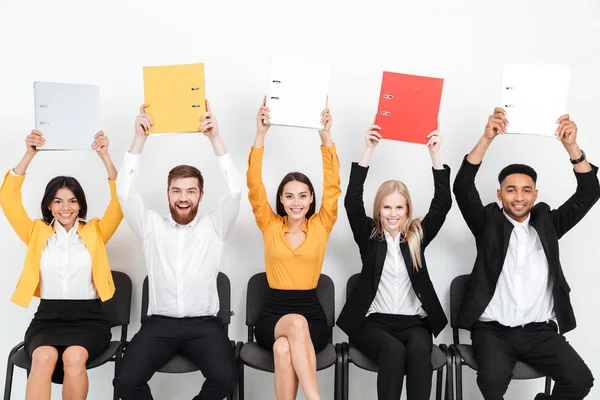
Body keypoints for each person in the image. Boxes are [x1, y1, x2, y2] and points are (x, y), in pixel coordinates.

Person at [453, 108, 598, 400]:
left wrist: (571, 146)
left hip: (539, 333)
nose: (518, 197)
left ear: (535, 194)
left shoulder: (549, 225)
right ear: (499, 194)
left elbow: (589, 192)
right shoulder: (487, 224)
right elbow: (463, 187)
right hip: (493, 331)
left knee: (580, 380)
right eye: (511, 190)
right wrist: (486, 138)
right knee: (492, 382)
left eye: (526, 190)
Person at [113, 102, 241, 400]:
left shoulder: (215, 226)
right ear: (168, 193)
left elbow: (235, 190)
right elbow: (124, 192)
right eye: (177, 191)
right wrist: (139, 139)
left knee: (224, 379)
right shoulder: (150, 226)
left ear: (201, 195)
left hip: (205, 326)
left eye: (191, 191)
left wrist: (215, 138)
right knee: (125, 382)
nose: (183, 198)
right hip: (160, 324)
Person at [0, 129, 122, 400]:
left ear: (80, 205)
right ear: (49, 205)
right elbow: (8, 199)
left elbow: (120, 201)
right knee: (42, 358)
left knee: (74, 357)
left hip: (89, 319)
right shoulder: (36, 233)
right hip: (47, 319)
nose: (65, 208)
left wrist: (105, 157)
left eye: (72, 201)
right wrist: (29, 155)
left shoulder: (95, 232)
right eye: (58, 201)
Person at [337, 122, 451, 400]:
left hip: (414, 324)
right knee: (392, 351)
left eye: (399, 207)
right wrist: (368, 150)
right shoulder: (369, 236)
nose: (392, 213)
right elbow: (352, 201)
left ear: (407, 209)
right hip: (373, 323)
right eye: (387, 207)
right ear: (379, 209)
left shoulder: (416, 237)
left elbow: (442, 203)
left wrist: (435, 155)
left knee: (419, 351)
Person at [246, 98, 341, 400]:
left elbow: (334, 186)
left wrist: (325, 138)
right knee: (288, 330)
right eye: (289, 196)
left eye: (302, 196)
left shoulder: (322, 225)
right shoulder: (269, 224)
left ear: (311, 199)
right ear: (282, 200)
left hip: (312, 315)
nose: (296, 202)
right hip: (273, 314)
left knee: (284, 348)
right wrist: (260, 135)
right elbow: (254, 186)